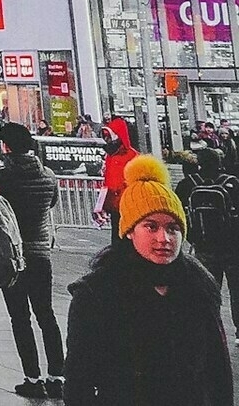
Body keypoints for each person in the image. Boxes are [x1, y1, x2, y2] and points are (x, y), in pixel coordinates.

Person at [64, 154, 232, 403]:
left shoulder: (198, 286)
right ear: (130, 231)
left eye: (173, 228)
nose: (164, 238)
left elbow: (218, 370)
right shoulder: (97, 292)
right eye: (151, 226)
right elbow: (79, 380)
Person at [0, 122, 65, 397]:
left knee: (20, 318)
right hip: (40, 254)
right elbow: (51, 204)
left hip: (13, 256)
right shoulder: (47, 176)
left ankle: (33, 379)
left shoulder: (1, 178)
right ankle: (57, 377)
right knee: (46, 315)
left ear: (7, 146)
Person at [179, 144, 239, 340]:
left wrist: (192, 238)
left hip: (204, 247)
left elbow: (179, 215)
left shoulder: (188, 185)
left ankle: (211, 329)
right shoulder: (232, 183)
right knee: (236, 290)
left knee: (208, 290)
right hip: (232, 247)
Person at [94, 117, 138, 245]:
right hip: (114, 205)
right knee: (117, 237)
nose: (106, 139)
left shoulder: (132, 156)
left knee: (127, 238)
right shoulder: (110, 156)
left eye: (109, 136)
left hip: (128, 204)